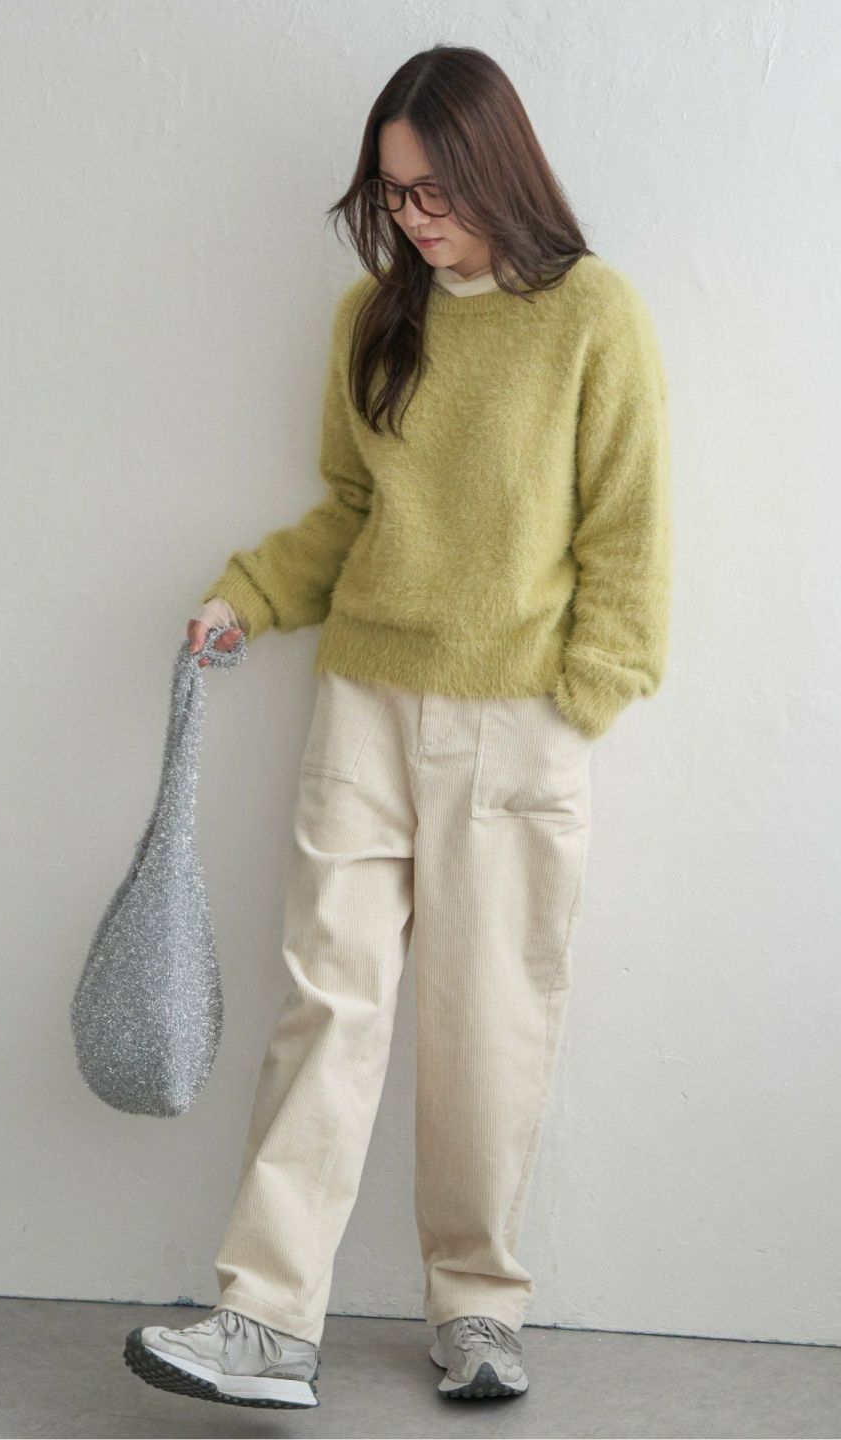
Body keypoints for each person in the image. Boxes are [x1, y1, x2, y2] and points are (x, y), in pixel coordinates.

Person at [124, 41, 671, 1412]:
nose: (414, 217)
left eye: (434, 190)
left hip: (521, 720)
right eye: (393, 193)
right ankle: (264, 1322)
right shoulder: (373, 319)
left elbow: (630, 535)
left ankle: (478, 1307)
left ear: (499, 170)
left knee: (490, 1027)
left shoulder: (595, 316)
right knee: (327, 1006)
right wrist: (251, 596)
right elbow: (355, 511)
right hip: (362, 705)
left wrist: (584, 699)